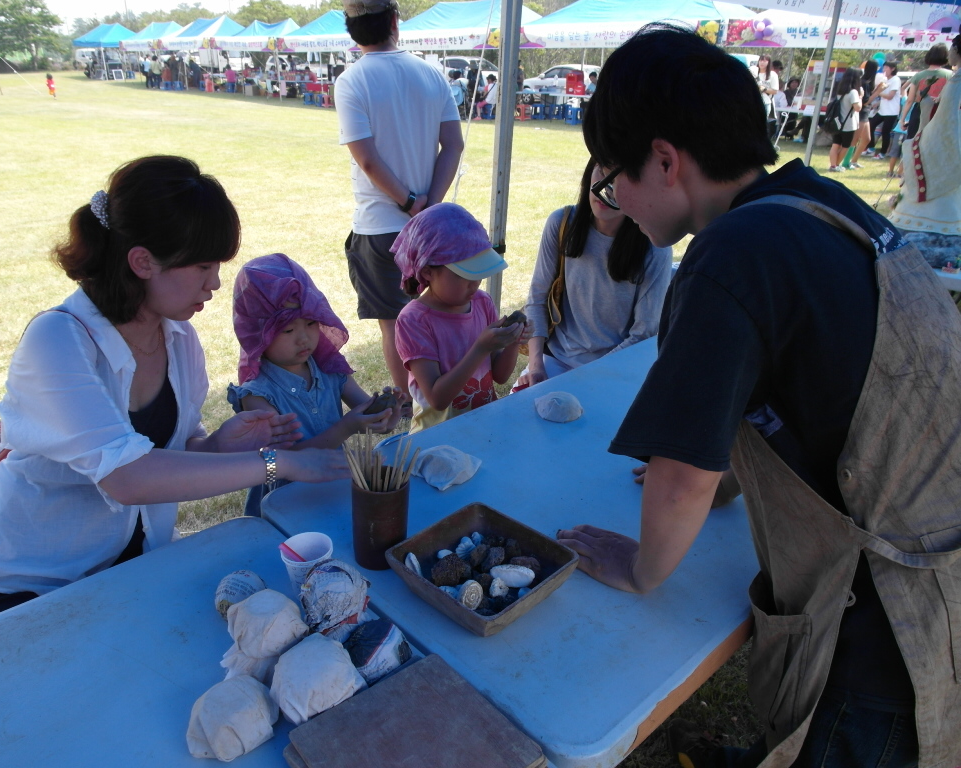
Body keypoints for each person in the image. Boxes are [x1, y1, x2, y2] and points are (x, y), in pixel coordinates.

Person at [564, 23, 961, 768]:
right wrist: (719, 485)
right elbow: (805, 388)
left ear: (665, 160)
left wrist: (643, 566)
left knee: (845, 740)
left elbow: (679, 476)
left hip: (884, 617)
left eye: (614, 179)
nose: (614, 200)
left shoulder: (729, 258)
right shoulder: (817, 202)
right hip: (938, 557)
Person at [0, 156, 348, 624]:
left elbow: (173, 452)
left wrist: (218, 445)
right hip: (30, 589)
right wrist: (279, 463)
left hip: (133, 570)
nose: (216, 283)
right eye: (202, 265)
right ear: (142, 261)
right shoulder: (57, 341)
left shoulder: (179, 339)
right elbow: (127, 476)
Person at [336, 0, 464, 413]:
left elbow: (367, 158)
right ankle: (440, 397)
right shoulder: (431, 73)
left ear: (351, 29)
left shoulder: (352, 80)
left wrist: (410, 203)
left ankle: (411, 408)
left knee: (395, 325)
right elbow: (454, 144)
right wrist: (429, 206)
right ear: (394, 21)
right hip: (429, 226)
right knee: (437, 314)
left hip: (380, 226)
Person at [228, 254, 405, 516]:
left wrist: (386, 415)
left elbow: (367, 415)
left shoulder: (327, 366)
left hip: (336, 487)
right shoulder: (257, 395)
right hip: (285, 503)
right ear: (257, 333)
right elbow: (282, 461)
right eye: (287, 331)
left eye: (311, 323)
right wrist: (347, 427)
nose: (303, 339)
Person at [515, 157, 671, 389]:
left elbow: (643, 334)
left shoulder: (653, 247)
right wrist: (537, 366)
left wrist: (586, 379)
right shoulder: (561, 223)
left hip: (613, 370)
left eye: (619, 178)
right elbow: (537, 299)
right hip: (554, 362)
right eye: (601, 171)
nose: (606, 187)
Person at [393, 204, 530, 433]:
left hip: (483, 426)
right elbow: (437, 399)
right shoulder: (414, 320)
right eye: (465, 274)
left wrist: (512, 341)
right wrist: (480, 349)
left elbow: (501, 376)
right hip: (437, 434)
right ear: (427, 271)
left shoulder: (482, 302)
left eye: (478, 273)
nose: (475, 284)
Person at [888, 34, 961, 269]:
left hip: (940, 141)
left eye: (953, 48)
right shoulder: (952, 77)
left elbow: (946, 121)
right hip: (938, 138)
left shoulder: (955, 81)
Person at [898, 43, 951, 135]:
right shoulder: (950, 75)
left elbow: (910, 100)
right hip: (940, 112)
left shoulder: (919, 75)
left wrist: (902, 119)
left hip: (919, 112)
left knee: (914, 142)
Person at [827, 68, 861, 172]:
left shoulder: (840, 91)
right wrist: (861, 97)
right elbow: (857, 108)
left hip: (838, 122)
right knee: (845, 146)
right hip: (848, 124)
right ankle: (836, 165)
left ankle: (833, 165)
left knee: (835, 144)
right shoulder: (853, 92)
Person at [865, 60, 901, 158]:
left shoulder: (896, 80)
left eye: (886, 68)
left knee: (885, 132)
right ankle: (871, 148)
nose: (884, 69)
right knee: (870, 126)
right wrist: (877, 102)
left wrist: (878, 93)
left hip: (891, 112)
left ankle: (882, 153)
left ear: (893, 69)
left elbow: (890, 96)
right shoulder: (885, 80)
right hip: (882, 110)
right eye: (884, 67)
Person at [849, 60, 879, 167]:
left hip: (866, 114)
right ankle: (847, 162)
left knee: (867, 139)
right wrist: (878, 92)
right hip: (861, 113)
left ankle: (854, 161)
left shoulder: (868, 82)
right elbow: (865, 101)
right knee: (855, 139)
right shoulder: (864, 82)